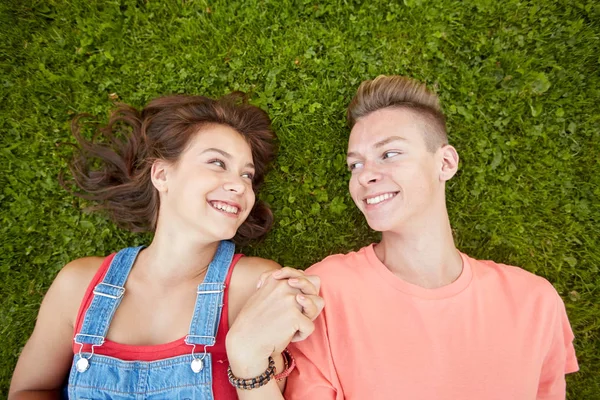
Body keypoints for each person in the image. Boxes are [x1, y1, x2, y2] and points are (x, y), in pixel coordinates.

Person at [281, 75, 579, 399]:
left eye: (389, 154)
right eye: (355, 164)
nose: (364, 176)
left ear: (446, 163)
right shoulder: (324, 291)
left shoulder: (535, 301)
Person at [9, 93, 323, 399]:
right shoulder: (78, 284)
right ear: (161, 174)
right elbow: (30, 390)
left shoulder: (256, 284)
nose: (239, 185)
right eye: (217, 163)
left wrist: (248, 355)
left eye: (246, 174)